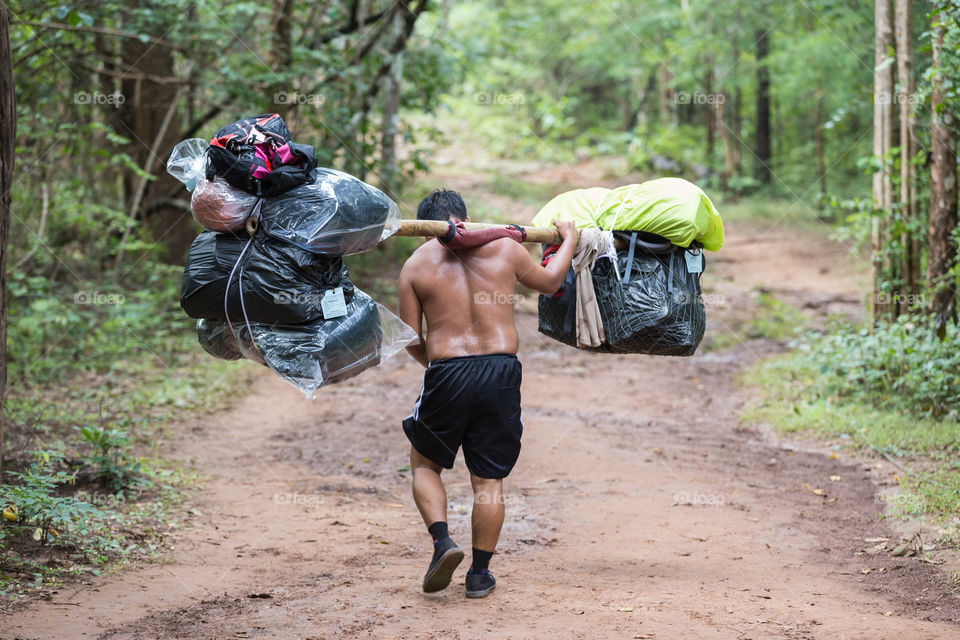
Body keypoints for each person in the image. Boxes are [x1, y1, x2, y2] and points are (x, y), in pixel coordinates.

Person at [397, 189, 577, 598]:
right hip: (500, 371)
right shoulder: (504, 248)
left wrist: (442, 369)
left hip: (446, 370)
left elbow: (409, 337)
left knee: (425, 464)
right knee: (489, 479)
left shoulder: (415, 265)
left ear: (425, 230)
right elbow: (551, 283)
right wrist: (568, 239)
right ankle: (479, 574)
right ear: (466, 219)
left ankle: (443, 542)